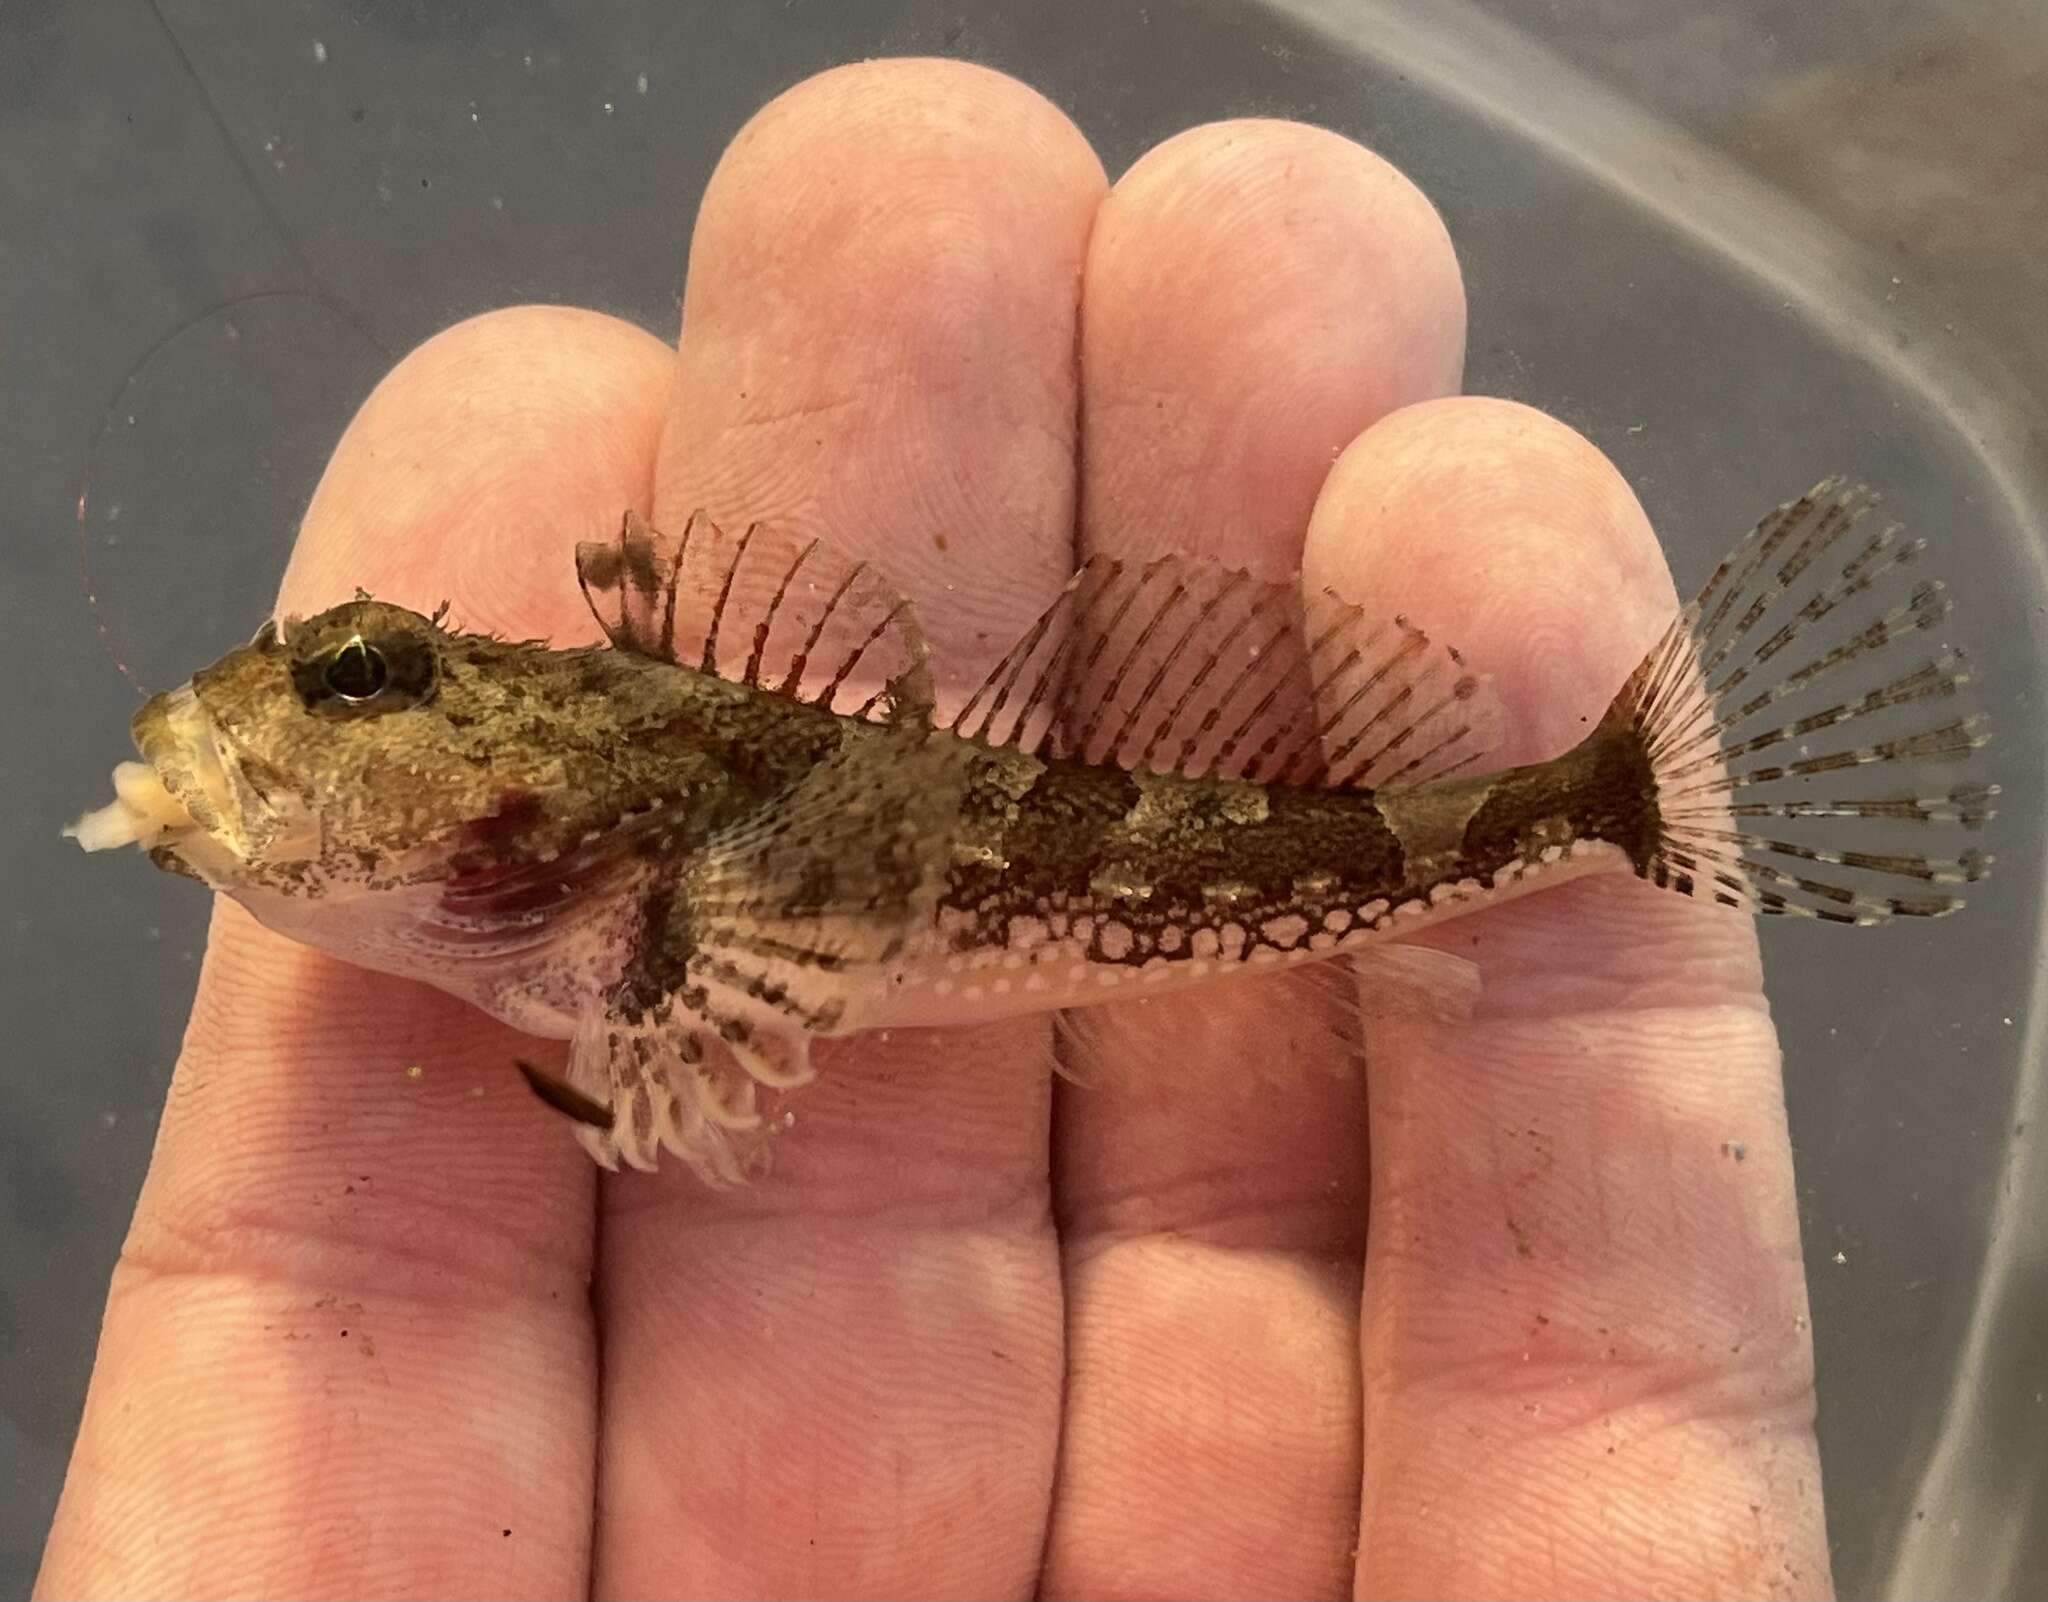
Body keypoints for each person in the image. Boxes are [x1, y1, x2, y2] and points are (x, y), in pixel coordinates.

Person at [37, 58, 1829, 1601]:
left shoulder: (648, 855)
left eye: (358, 677)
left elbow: (736, 970)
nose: (282, 721)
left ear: (513, 778)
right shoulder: (605, 854)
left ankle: (1614, 796)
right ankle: (1604, 795)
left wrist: (678, 1036)